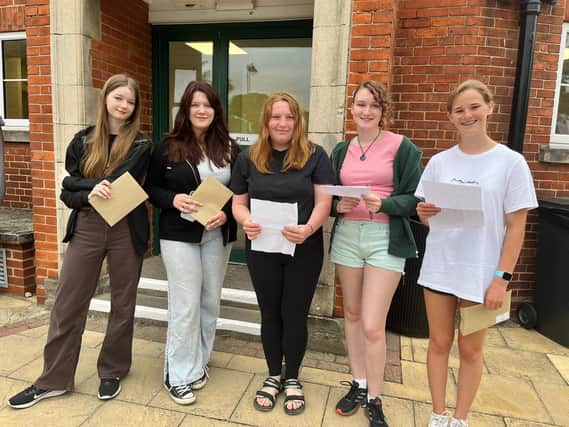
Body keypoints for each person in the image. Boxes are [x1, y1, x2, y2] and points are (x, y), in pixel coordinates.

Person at [8, 74, 152, 409]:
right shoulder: (82, 140)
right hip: (87, 226)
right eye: (118, 98)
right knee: (67, 302)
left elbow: (115, 185)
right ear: (105, 99)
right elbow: (67, 192)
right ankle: (53, 379)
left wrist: (82, 185)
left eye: (130, 101)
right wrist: (87, 188)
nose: (124, 105)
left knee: (122, 304)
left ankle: (113, 370)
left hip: (125, 229)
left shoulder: (142, 145)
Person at [416, 80, 538, 427]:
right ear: (450, 117)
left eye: (473, 107)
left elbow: (516, 227)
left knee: (470, 350)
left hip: (483, 272)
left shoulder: (511, 163)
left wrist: (502, 279)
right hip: (440, 267)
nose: (467, 115)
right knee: (438, 343)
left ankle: (460, 418)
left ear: (489, 108)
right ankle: (438, 414)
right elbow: (428, 213)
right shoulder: (439, 162)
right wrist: (424, 214)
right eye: (459, 110)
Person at [231, 92, 333, 415]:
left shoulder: (316, 156)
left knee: (294, 314)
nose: (282, 123)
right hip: (262, 249)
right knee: (270, 312)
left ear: (297, 121)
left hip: (303, 249)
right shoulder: (248, 157)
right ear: (266, 121)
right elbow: (237, 203)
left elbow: (324, 203)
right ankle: (273, 375)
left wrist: (308, 229)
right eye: (276, 117)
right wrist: (245, 221)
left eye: (289, 117)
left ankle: (293, 379)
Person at [329, 80, 423, 427]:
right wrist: (338, 205)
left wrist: (384, 203)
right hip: (348, 236)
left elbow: (416, 198)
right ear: (351, 108)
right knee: (352, 314)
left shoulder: (403, 147)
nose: (366, 111)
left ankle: (375, 397)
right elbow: (329, 199)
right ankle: (359, 382)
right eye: (361, 105)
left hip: (386, 237)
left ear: (384, 111)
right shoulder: (341, 150)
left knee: (372, 323)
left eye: (374, 106)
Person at [145, 81, 239, 405]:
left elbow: (239, 194)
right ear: (185, 110)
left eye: (207, 105)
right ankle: (178, 374)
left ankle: (197, 365)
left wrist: (227, 215)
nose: (201, 111)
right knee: (185, 305)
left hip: (216, 236)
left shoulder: (228, 147)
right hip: (179, 235)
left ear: (216, 111)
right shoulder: (168, 146)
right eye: (195, 105)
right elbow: (151, 189)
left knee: (210, 301)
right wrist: (173, 199)